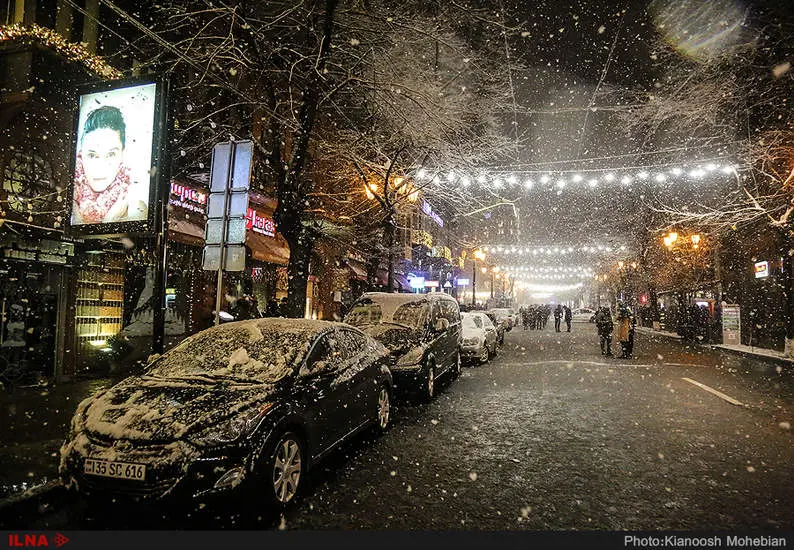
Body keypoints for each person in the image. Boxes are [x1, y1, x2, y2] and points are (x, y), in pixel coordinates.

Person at [72, 105, 147, 225]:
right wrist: (108, 220)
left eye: (111, 154)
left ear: (122, 154)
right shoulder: (68, 204)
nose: (100, 167)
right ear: (81, 156)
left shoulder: (136, 209)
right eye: (92, 155)